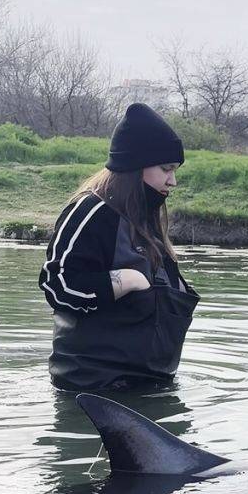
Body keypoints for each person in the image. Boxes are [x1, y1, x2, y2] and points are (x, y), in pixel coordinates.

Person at [39, 102, 199, 391]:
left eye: (175, 171)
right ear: (135, 165)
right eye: (166, 169)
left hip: (151, 388)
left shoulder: (148, 219)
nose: (173, 181)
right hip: (93, 389)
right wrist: (125, 280)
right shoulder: (91, 212)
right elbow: (57, 285)